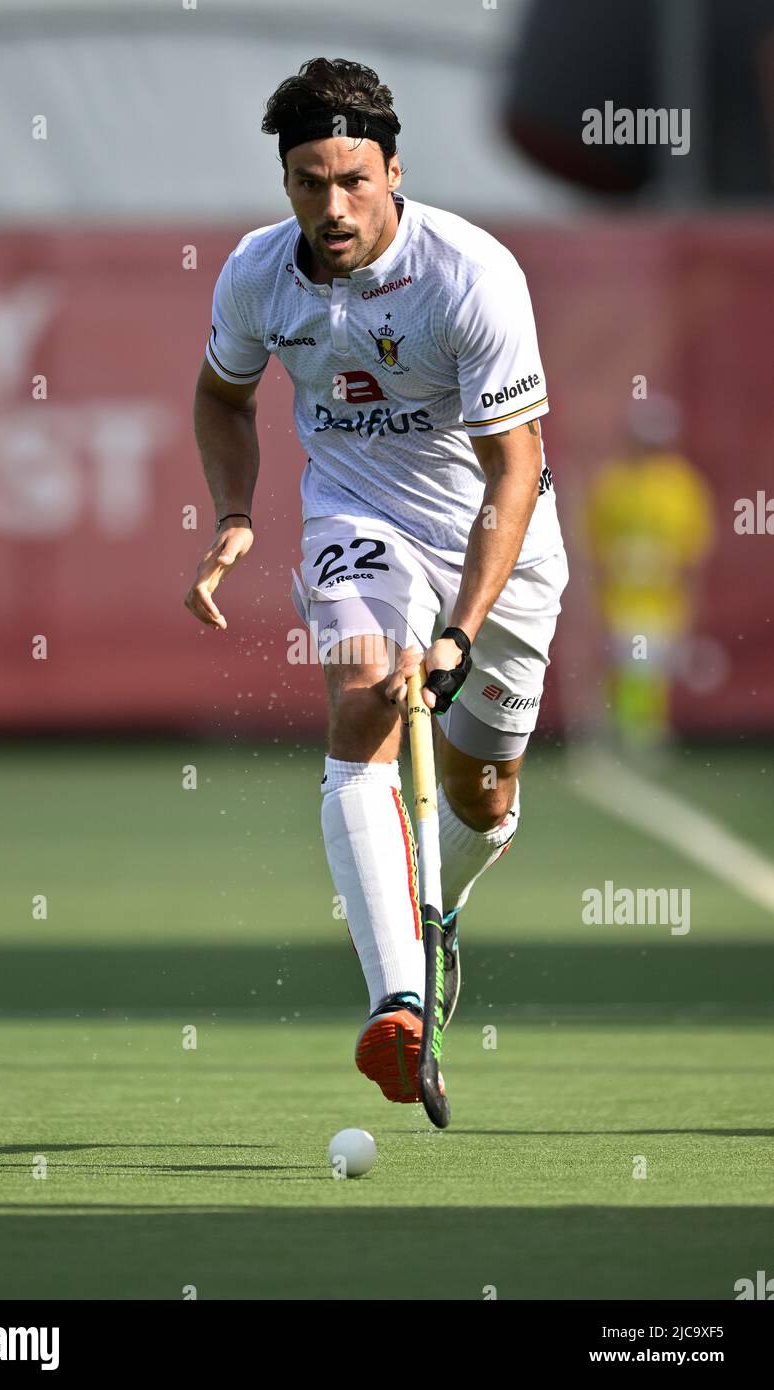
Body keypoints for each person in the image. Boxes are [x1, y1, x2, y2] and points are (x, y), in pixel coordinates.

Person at [185, 57, 567, 1104]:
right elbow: (220, 398)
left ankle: (434, 919)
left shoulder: (469, 273)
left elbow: (515, 467)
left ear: (394, 170)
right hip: (358, 518)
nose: (332, 205)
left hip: (499, 541)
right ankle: (396, 998)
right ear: (285, 186)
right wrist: (233, 517)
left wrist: (461, 629)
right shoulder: (258, 275)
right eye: (309, 181)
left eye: (353, 179)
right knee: (363, 692)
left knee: (482, 798)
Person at [586, 395, 715, 750]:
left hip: (663, 598)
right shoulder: (612, 484)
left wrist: (690, 601)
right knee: (631, 666)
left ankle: (640, 733)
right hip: (620, 598)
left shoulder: (682, 486)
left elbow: (692, 554)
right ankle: (630, 733)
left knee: (650, 670)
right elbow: (594, 549)